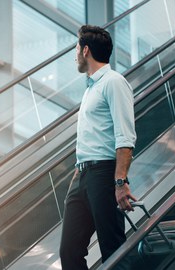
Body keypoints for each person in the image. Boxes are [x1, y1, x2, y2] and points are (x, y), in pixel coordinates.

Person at [59, 25, 137, 269]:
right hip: (82, 175)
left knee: (113, 249)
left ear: (85, 50)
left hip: (104, 174)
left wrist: (120, 181)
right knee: (69, 251)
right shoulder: (91, 89)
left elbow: (125, 136)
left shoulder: (114, 82)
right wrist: (78, 172)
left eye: (76, 49)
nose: (74, 56)